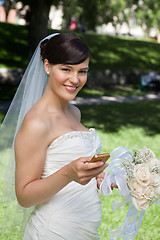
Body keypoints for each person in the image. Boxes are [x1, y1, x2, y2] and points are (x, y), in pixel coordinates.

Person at [0, 33, 110, 239]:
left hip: (84, 227)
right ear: (48, 66)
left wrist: (97, 173)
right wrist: (68, 173)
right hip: (54, 230)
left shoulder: (74, 112)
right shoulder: (37, 123)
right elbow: (24, 196)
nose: (75, 79)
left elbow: (69, 163)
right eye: (66, 69)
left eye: (82, 71)